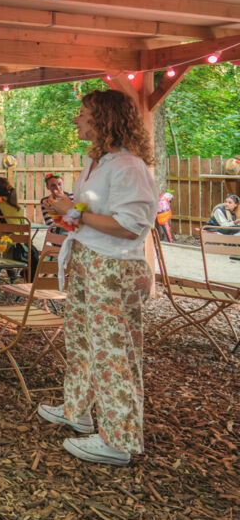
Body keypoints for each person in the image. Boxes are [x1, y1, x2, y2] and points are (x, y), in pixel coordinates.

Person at [39, 89, 157, 467]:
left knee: (114, 353)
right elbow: (84, 218)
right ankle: (79, 411)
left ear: (103, 119)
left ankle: (118, 441)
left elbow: (130, 226)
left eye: (83, 113)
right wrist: (62, 211)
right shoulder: (96, 162)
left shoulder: (128, 166)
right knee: (82, 341)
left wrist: (75, 212)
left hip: (115, 269)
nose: (76, 119)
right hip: (88, 261)